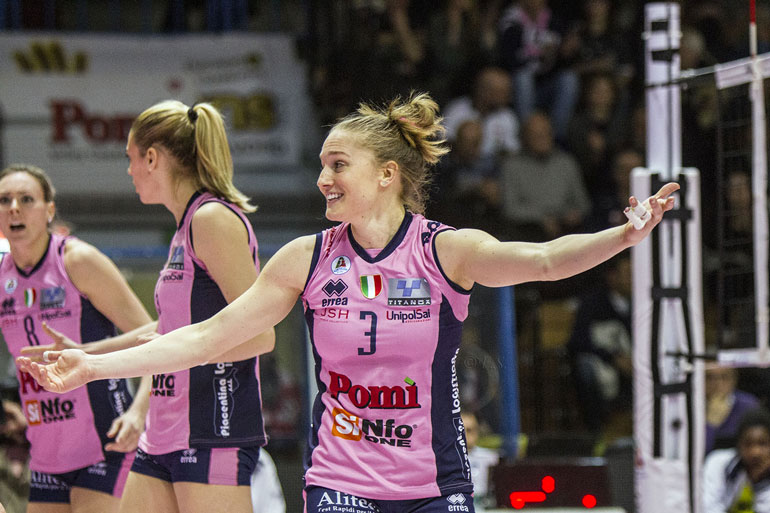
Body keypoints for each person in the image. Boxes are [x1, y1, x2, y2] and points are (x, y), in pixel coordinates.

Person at [17, 92, 679, 512]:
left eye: (338, 165)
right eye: (322, 165)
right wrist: (92, 366)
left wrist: (624, 235)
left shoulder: (444, 250)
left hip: (435, 482)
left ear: (387, 174)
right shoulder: (305, 257)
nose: (322, 178)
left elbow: (545, 260)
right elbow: (207, 335)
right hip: (340, 481)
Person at [22, 101, 276, 513]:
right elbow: (169, 327)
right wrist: (87, 351)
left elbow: (260, 334)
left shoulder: (211, 218)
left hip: (212, 428)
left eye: (131, 158)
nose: (129, 171)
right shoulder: (184, 227)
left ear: (153, 158)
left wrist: (171, 355)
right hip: (164, 428)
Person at [0, 163, 154, 511]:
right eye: (4, 200)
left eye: (26, 199)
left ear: (49, 210)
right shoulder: (2, 276)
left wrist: (138, 412)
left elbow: (155, 336)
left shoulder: (77, 260)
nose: (14, 208)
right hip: (45, 452)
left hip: (105, 444)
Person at [703, 407, 770, 513]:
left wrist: (758, 481)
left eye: (762, 444)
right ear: (738, 445)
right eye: (748, 444)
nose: (755, 452)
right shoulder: (718, 462)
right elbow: (707, 507)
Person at [705, 365, 760, 455]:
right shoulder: (690, 405)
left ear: (734, 380)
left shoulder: (749, 405)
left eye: (724, 377)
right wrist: (711, 424)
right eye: (709, 377)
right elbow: (697, 452)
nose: (718, 384)